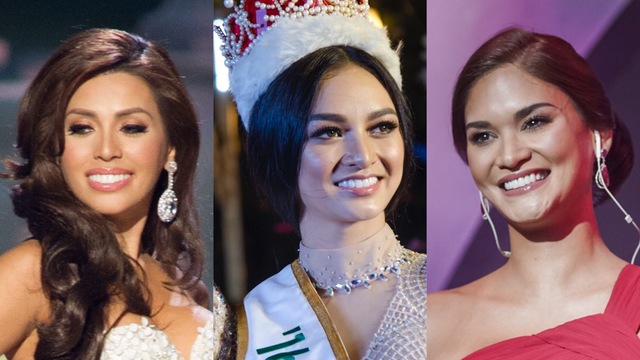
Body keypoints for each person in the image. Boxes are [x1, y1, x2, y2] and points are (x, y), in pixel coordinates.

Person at [215, 0, 426, 359]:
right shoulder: (245, 328)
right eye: (328, 132)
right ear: (277, 147)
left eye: (382, 127)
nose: (363, 155)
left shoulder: (446, 289)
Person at [0, 28, 218, 359]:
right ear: (56, 149)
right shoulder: (34, 273)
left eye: (131, 128)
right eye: (81, 128)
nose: (106, 150)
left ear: (171, 147)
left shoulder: (186, 288)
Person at [428, 27, 640, 359]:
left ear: (599, 133)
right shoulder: (428, 325)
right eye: (483, 136)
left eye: (534, 122)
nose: (510, 156)